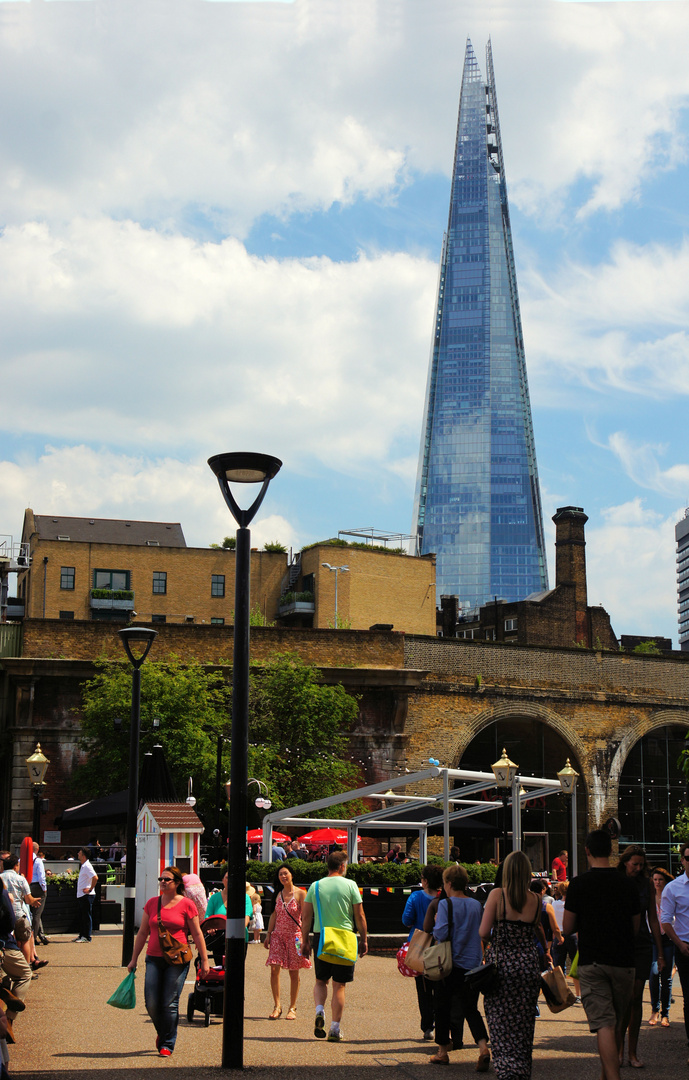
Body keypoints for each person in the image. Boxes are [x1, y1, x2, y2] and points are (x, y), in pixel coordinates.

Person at [564, 829, 640, 1080]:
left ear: (587, 850)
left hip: (593, 961)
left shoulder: (578, 884)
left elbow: (567, 927)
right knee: (618, 1022)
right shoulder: (628, 885)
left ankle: (613, 1077)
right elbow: (636, 927)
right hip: (624, 962)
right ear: (611, 850)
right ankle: (608, 1074)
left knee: (604, 1025)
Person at [127, 865, 210, 1056]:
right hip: (153, 958)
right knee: (152, 1003)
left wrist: (204, 960)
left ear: (177, 883)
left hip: (178, 959)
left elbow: (197, 933)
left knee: (170, 1002)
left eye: (167, 879)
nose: (162, 882)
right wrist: (133, 959)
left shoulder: (187, 904)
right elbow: (142, 933)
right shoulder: (152, 903)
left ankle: (167, 1043)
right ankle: (163, 1032)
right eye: (161, 879)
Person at [478, 850, 546, 1080]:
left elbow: (483, 932)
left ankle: (506, 1072)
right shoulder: (536, 900)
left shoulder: (497, 895)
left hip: (503, 968)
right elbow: (535, 931)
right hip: (528, 968)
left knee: (500, 1025)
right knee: (524, 1026)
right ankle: (521, 1071)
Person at [301, 850, 368, 1043]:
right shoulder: (351, 885)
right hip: (345, 937)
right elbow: (360, 916)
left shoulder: (316, 886)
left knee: (321, 980)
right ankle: (334, 1028)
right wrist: (363, 939)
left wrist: (305, 941)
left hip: (322, 937)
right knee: (340, 985)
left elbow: (306, 917)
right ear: (342, 866)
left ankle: (319, 1010)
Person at [430, 864, 490, 1071]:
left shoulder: (446, 904)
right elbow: (483, 931)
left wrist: (437, 922)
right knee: (470, 1009)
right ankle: (483, 1046)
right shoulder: (475, 905)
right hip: (472, 964)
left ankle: (442, 1052)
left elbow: (441, 933)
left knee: (442, 1006)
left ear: (448, 883)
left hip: (450, 963)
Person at [616, 845, 664, 1068]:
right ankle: (617, 1050)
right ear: (625, 861)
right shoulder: (615, 880)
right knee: (623, 1000)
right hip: (620, 943)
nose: (637, 868)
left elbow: (653, 918)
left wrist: (660, 951)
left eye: (641, 864)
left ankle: (632, 1052)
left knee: (636, 997)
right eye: (634, 863)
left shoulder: (646, 884)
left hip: (642, 944)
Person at [264, 862, 311, 1019]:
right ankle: (277, 1005)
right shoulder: (278, 894)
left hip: (295, 936)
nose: (283, 876)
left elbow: (305, 917)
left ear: (291, 875)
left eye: (285, 873)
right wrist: (268, 934)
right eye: (280, 874)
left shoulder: (300, 893)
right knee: (273, 969)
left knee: (293, 971)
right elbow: (274, 915)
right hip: (278, 935)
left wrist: (305, 939)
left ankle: (293, 1007)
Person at [401, 863, 443, 1040]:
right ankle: (441, 1022)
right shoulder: (444, 898)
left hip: (419, 944)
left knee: (423, 988)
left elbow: (406, 919)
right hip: (440, 945)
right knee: (440, 986)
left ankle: (428, 1025)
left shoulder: (416, 896)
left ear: (425, 881)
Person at [660, 841, 689, 1061]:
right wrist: (679, 944)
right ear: (682, 860)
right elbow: (665, 920)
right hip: (686, 947)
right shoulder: (674, 887)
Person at [1, 854, 44, 972]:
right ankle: (25, 969)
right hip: (19, 914)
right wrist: (34, 901)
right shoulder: (20, 879)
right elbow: (28, 899)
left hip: (3, 915)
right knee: (25, 939)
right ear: (15, 866)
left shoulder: (0, 878)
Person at [648, 867, 674, 1027]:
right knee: (653, 975)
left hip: (668, 938)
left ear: (665, 881)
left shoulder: (669, 896)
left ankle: (666, 1013)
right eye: (655, 880)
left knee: (667, 978)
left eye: (660, 880)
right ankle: (654, 1010)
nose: (657, 882)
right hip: (652, 939)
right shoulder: (649, 897)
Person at [205, 872, 253, 953]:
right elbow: (208, 917)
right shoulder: (214, 898)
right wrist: (211, 928)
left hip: (238, 938)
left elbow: (246, 918)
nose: (230, 880)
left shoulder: (245, 898)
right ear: (222, 880)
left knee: (237, 965)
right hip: (219, 939)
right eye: (227, 877)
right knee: (219, 965)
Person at [74, 847, 98, 943]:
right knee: (83, 916)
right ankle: (82, 935)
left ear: (83, 856)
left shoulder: (87, 866)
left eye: (79, 853)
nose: (78, 854)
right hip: (82, 895)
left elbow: (95, 877)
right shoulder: (84, 865)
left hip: (86, 895)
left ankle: (87, 936)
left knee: (86, 916)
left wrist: (90, 889)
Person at [30, 843, 48, 946]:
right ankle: (34, 937)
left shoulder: (21, 860)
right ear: (37, 850)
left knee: (30, 913)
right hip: (37, 887)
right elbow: (42, 877)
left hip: (28, 886)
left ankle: (41, 935)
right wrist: (44, 889)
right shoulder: (38, 861)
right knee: (37, 914)